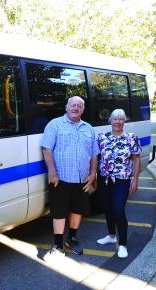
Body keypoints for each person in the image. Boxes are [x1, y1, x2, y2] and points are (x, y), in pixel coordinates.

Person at [41, 96, 99, 260]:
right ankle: (58, 244)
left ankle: (71, 239)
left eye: (79, 106)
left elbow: (94, 154)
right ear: (66, 107)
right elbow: (47, 149)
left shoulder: (88, 128)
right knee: (59, 212)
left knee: (77, 210)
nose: (75, 108)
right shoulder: (54, 125)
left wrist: (93, 173)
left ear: (83, 109)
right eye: (72, 105)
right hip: (61, 178)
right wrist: (52, 171)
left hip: (82, 179)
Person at [95, 109, 141, 258]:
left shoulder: (131, 138)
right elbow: (96, 157)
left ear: (124, 121)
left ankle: (122, 244)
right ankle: (111, 235)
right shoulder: (102, 137)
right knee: (107, 208)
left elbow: (136, 159)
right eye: (115, 119)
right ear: (110, 120)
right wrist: (94, 176)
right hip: (104, 179)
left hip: (122, 179)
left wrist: (135, 180)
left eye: (120, 119)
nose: (117, 122)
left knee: (118, 210)